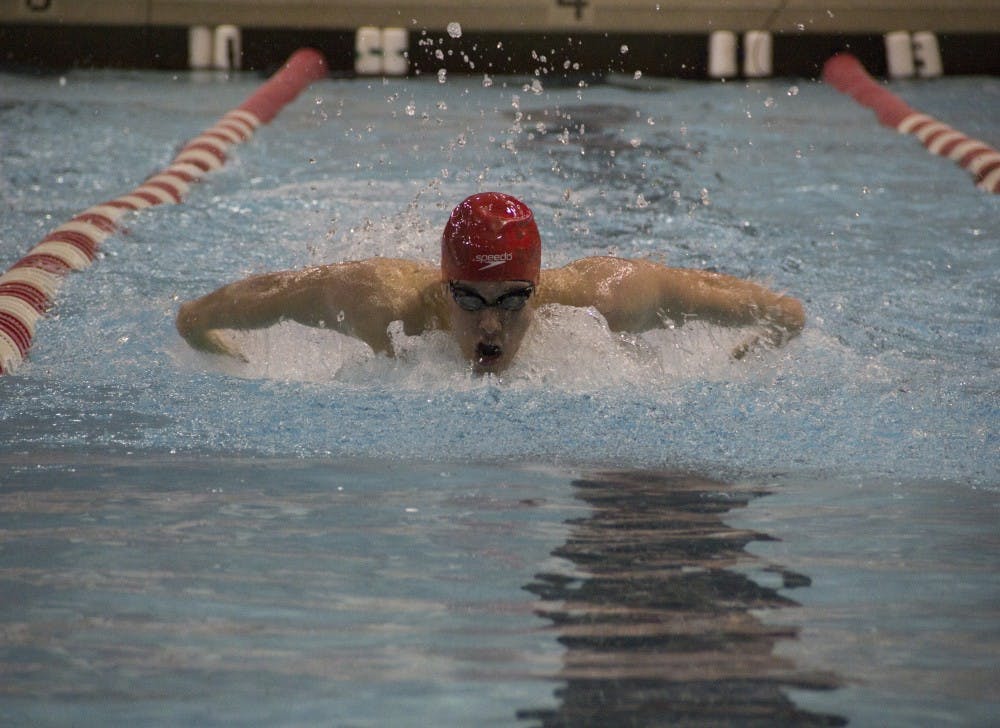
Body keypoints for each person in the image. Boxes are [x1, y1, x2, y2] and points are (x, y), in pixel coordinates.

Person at [176, 192, 804, 374]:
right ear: (443, 287)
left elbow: (783, 314)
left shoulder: (603, 301)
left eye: (512, 301)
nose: (491, 325)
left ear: (536, 290)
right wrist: (225, 362)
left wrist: (743, 363)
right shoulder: (377, 304)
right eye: (469, 299)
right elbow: (200, 317)